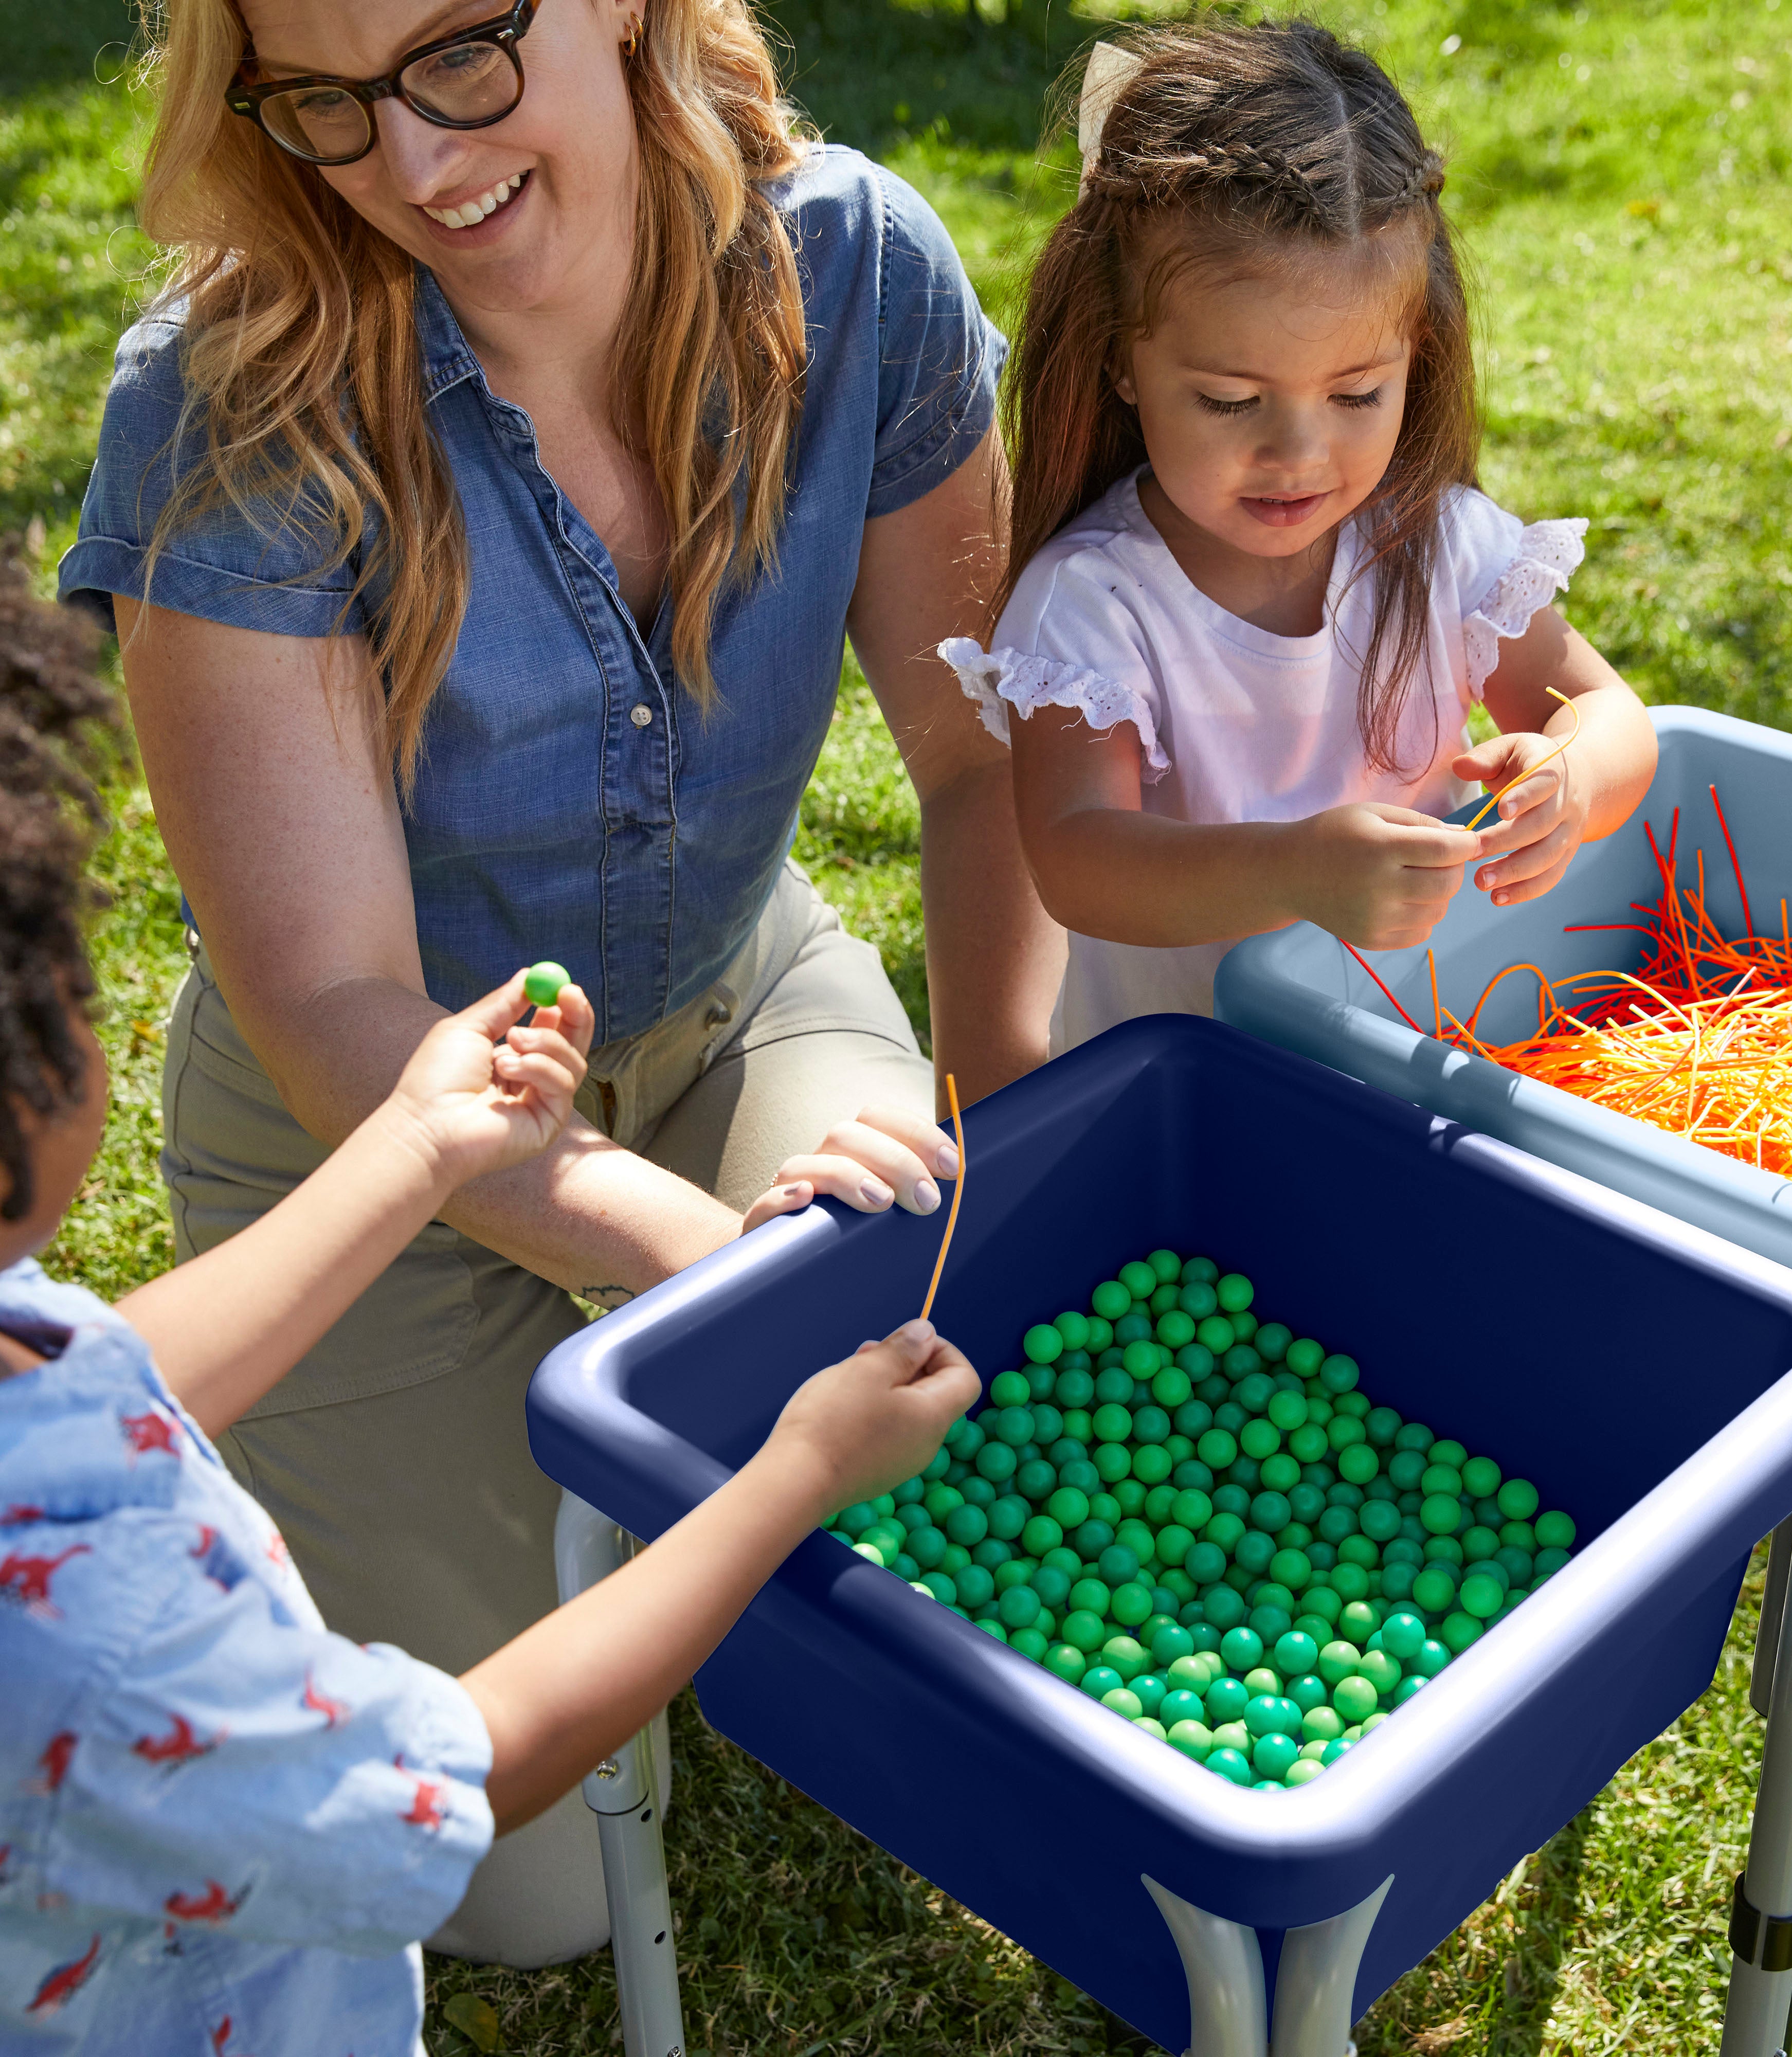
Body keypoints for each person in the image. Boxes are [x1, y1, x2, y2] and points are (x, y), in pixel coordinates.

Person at [57, 0, 1061, 1960]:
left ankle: (667, 1495)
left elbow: (978, 761)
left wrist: (1005, 1133)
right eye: (325, 103)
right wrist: (712, 1259)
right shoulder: (226, 399)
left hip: (728, 1003)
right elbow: (336, 1008)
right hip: (367, 1139)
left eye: (460, 55)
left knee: (950, 1460)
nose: (416, 164)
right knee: (527, 1895)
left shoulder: (858, 267)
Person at [0, 553, 982, 2052]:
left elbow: (108, 1376)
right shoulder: (105, 1641)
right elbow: (458, 1767)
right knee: (539, 1887)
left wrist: (411, 1143)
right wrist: (794, 1474)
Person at [942, 22, 1657, 1055]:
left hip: (1416, 1056)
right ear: (1122, 362)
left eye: (1356, 393)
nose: (1298, 453)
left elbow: (1609, 714)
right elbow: (1077, 860)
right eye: (1230, 401)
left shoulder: (1436, 544)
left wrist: (1569, 777)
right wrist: (1291, 870)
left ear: (1415, 355)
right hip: (1193, 1083)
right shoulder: (1095, 602)